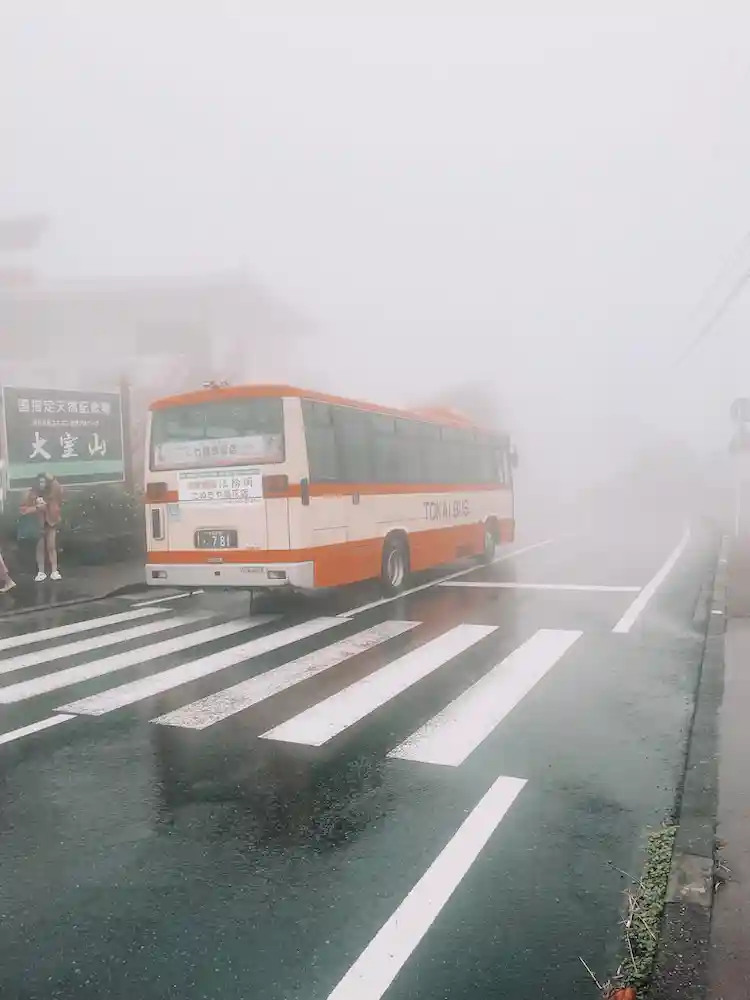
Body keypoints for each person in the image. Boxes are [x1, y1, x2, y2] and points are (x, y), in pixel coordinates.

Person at [21, 472, 63, 582]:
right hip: (37, 523)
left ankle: (54, 571)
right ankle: (41, 572)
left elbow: (57, 491)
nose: (42, 483)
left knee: (51, 546)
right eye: (40, 481)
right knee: (40, 548)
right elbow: (24, 509)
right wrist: (37, 508)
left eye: (44, 481)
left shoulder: (52, 491)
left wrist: (52, 478)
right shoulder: (31, 493)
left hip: (50, 522)